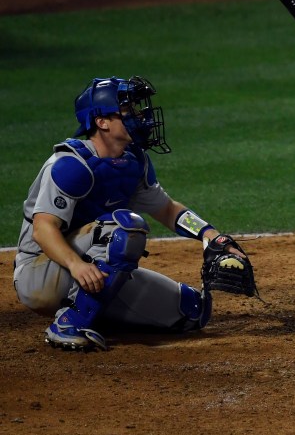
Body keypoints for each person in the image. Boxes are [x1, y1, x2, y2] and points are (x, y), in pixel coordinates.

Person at [13, 76, 254, 351]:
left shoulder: (133, 161)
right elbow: (43, 229)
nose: (140, 116)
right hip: (41, 272)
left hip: (92, 269)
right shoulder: (71, 165)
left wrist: (211, 236)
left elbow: (167, 209)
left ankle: (95, 310)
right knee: (126, 229)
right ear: (102, 121)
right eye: (128, 111)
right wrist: (76, 265)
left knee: (191, 311)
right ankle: (69, 323)